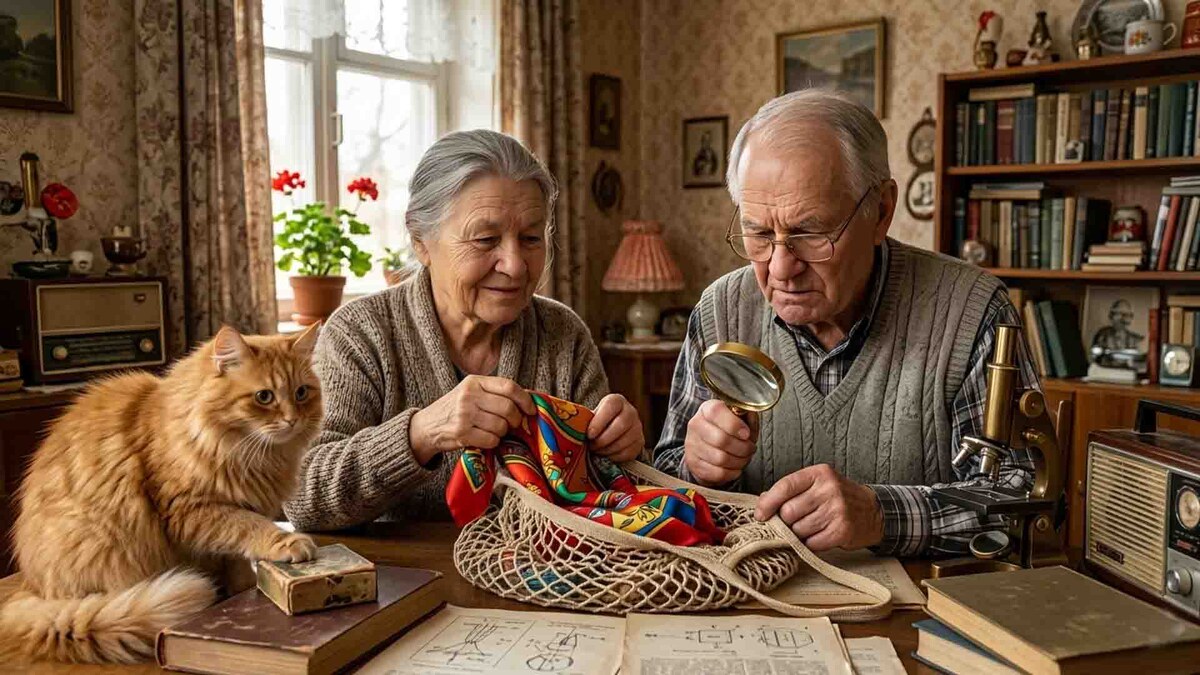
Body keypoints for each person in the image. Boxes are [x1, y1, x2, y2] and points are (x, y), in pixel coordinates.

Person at [653, 90, 1040, 557]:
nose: (779, 269)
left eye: (810, 233)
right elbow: (664, 490)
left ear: (881, 211)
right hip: (754, 606)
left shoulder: (973, 313)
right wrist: (696, 468)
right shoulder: (720, 310)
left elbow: (1022, 504)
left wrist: (882, 516)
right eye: (758, 234)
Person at [284, 130, 644, 530]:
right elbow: (301, 496)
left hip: (533, 578)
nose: (515, 265)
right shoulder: (360, 334)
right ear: (421, 241)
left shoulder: (563, 335)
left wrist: (621, 452)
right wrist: (421, 434)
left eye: (530, 238)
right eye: (486, 239)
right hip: (402, 583)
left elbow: (607, 499)